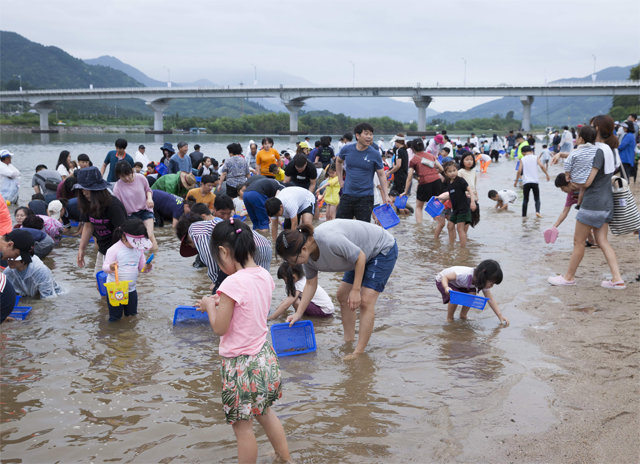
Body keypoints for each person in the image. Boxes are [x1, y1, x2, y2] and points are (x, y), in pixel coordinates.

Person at [196, 219, 290, 463]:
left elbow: (219, 327)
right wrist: (220, 302)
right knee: (265, 414)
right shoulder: (263, 275)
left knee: (242, 429)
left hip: (241, 366)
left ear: (224, 252)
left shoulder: (231, 283)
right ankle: (286, 459)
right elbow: (247, 306)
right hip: (264, 359)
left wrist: (209, 305)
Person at [275, 220, 398, 360]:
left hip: (380, 249)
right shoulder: (307, 258)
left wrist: (356, 290)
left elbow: (360, 257)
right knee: (342, 295)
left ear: (303, 249)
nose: (293, 265)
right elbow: (310, 284)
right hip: (358, 255)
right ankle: (349, 342)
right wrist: (298, 313)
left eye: (293, 260)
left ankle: (358, 352)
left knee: (365, 300)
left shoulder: (329, 240)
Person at [548, 115, 625, 289]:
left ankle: (568, 277)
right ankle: (617, 278)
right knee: (603, 241)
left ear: (596, 129)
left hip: (592, 203)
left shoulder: (598, 151)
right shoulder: (609, 149)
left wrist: (573, 183)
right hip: (606, 203)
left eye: (591, 126)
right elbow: (583, 154)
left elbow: (588, 181)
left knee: (578, 242)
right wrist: (561, 154)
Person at [177, 213, 272, 292]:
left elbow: (210, 258)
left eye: (189, 244)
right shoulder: (214, 223)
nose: (192, 247)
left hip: (248, 247)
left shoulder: (194, 231)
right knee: (258, 286)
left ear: (186, 239)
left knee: (231, 289)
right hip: (264, 245)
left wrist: (216, 283)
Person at [74, 166, 128, 274]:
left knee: (117, 288)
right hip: (102, 250)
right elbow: (88, 226)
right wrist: (81, 249)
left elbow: (124, 233)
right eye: (82, 189)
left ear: (97, 190)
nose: (84, 193)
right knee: (99, 284)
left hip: (118, 252)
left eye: (87, 189)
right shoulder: (87, 203)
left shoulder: (113, 206)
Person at [336, 123, 389, 222]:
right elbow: (338, 161)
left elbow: (381, 175)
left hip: (365, 197)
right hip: (347, 194)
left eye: (371, 134)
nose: (369, 137)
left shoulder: (375, 154)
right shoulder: (346, 149)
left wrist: (386, 195)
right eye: (366, 134)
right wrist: (340, 180)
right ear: (357, 135)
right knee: (340, 225)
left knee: (363, 228)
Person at [102, 218, 153, 322]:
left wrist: (147, 267)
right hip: (115, 289)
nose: (137, 244)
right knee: (115, 318)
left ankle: (130, 336)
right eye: (135, 241)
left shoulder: (139, 249)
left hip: (131, 290)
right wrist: (111, 267)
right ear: (123, 237)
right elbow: (104, 268)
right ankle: (113, 337)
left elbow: (141, 268)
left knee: (132, 316)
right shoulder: (114, 249)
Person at [435, 260, 509, 325]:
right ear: (483, 276)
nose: (491, 286)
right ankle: (449, 318)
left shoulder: (482, 281)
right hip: (443, 280)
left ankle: (463, 315)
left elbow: (490, 299)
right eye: (491, 283)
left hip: (460, 284)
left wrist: (500, 316)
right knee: (454, 295)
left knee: (472, 293)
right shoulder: (464, 274)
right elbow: (445, 277)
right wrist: (446, 287)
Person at [1, 229, 62, 298]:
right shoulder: (8, 273)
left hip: (57, 295)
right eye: (8, 258)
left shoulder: (40, 271)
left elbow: (48, 300)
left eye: (14, 257)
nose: (9, 261)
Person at [112, 160, 158, 251]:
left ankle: (154, 261)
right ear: (118, 176)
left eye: (128, 174)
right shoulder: (117, 187)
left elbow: (148, 190)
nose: (127, 178)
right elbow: (118, 206)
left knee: (149, 235)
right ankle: (140, 260)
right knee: (135, 240)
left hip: (145, 210)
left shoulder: (141, 178)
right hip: (130, 215)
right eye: (123, 176)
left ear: (132, 170)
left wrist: (149, 199)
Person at [401, 138, 444, 233]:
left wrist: (405, 191)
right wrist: (434, 173)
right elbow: (441, 168)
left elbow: (409, 177)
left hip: (424, 183)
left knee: (419, 207)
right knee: (434, 204)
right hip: (436, 181)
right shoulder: (431, 155)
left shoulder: (414, 160)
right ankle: (436, 224)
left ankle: (419, 227)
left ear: (412, 149)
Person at [269, 262, 334, 320]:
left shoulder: (299, 284)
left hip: (323, 311)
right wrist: (277, 309)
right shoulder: (303, 280)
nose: (285, 282)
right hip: (327, 309)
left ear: (293, 277)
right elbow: (286, 301)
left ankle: (300, 318)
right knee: (294, 298)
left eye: (284, 279)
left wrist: (272, 317)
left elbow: (287, 304)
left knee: (295, 300)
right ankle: (301, 316)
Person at [514, 145, 550, 217]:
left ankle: (524, 216)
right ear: (531, 151)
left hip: (526, 182)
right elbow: (542, 166)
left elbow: (519, 171)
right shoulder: (536, 157)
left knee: (525, 200)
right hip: (535, 182)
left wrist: (516, 181)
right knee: (537, 199)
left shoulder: (523, 159)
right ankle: (537, 212)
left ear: (523, 152)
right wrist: (547, 175)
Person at [458, 152, 480, 229]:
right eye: (467, 159)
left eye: (471, 159)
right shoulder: (460, 172)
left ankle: (465, 237)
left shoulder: (474, 172)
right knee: (463, 219)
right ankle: (462, 237)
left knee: (469, 220)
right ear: (462, 161)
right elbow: (457, 186)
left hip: (472, 198)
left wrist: (476, 196)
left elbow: (474, 185)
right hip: (464, 198)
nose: (469, 161)